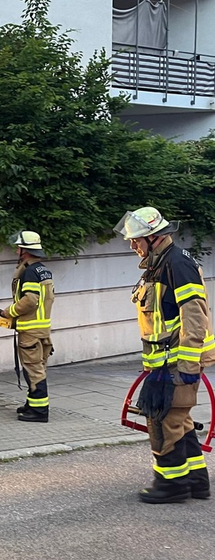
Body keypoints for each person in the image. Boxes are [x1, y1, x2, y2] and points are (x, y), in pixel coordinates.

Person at [115, 206, 214, 503]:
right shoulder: (161, 264)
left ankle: (170, 485)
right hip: (166, 363)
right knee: (179, 420)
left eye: (137, 240)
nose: (133, 245)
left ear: (155, 237)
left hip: (175, 364)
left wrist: (186, 364)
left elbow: (194, 316)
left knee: (162, 421)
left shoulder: (175, 264)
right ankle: (196, 481)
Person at [0, 231, 55, 423]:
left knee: (33, 370)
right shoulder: (43, 270)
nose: (16, 250)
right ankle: (32, 404)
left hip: (30, 330)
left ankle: (39, 412)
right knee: (38, 368)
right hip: (42, 329)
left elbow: (30, 300)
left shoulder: (29, 272)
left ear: (25, 251)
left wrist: (9, 312)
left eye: (18, 247)